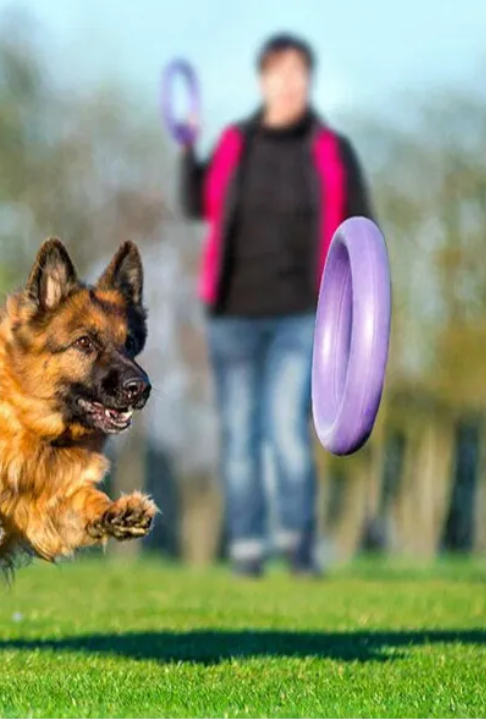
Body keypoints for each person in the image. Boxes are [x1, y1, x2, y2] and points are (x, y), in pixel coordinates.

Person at [178, 32, 373, 578]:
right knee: (240, 432)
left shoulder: (332, 150)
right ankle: (245, 547)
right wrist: (188, 150)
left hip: (302, 312)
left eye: (298, 75)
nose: (289, 85)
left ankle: (298, 541)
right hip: (231, 313)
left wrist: (362, 313)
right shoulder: (236, 143)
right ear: (262, 80)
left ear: (308, 82)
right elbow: (199, 202)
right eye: (279, 74)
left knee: (287, 428)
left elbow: (360, 227)